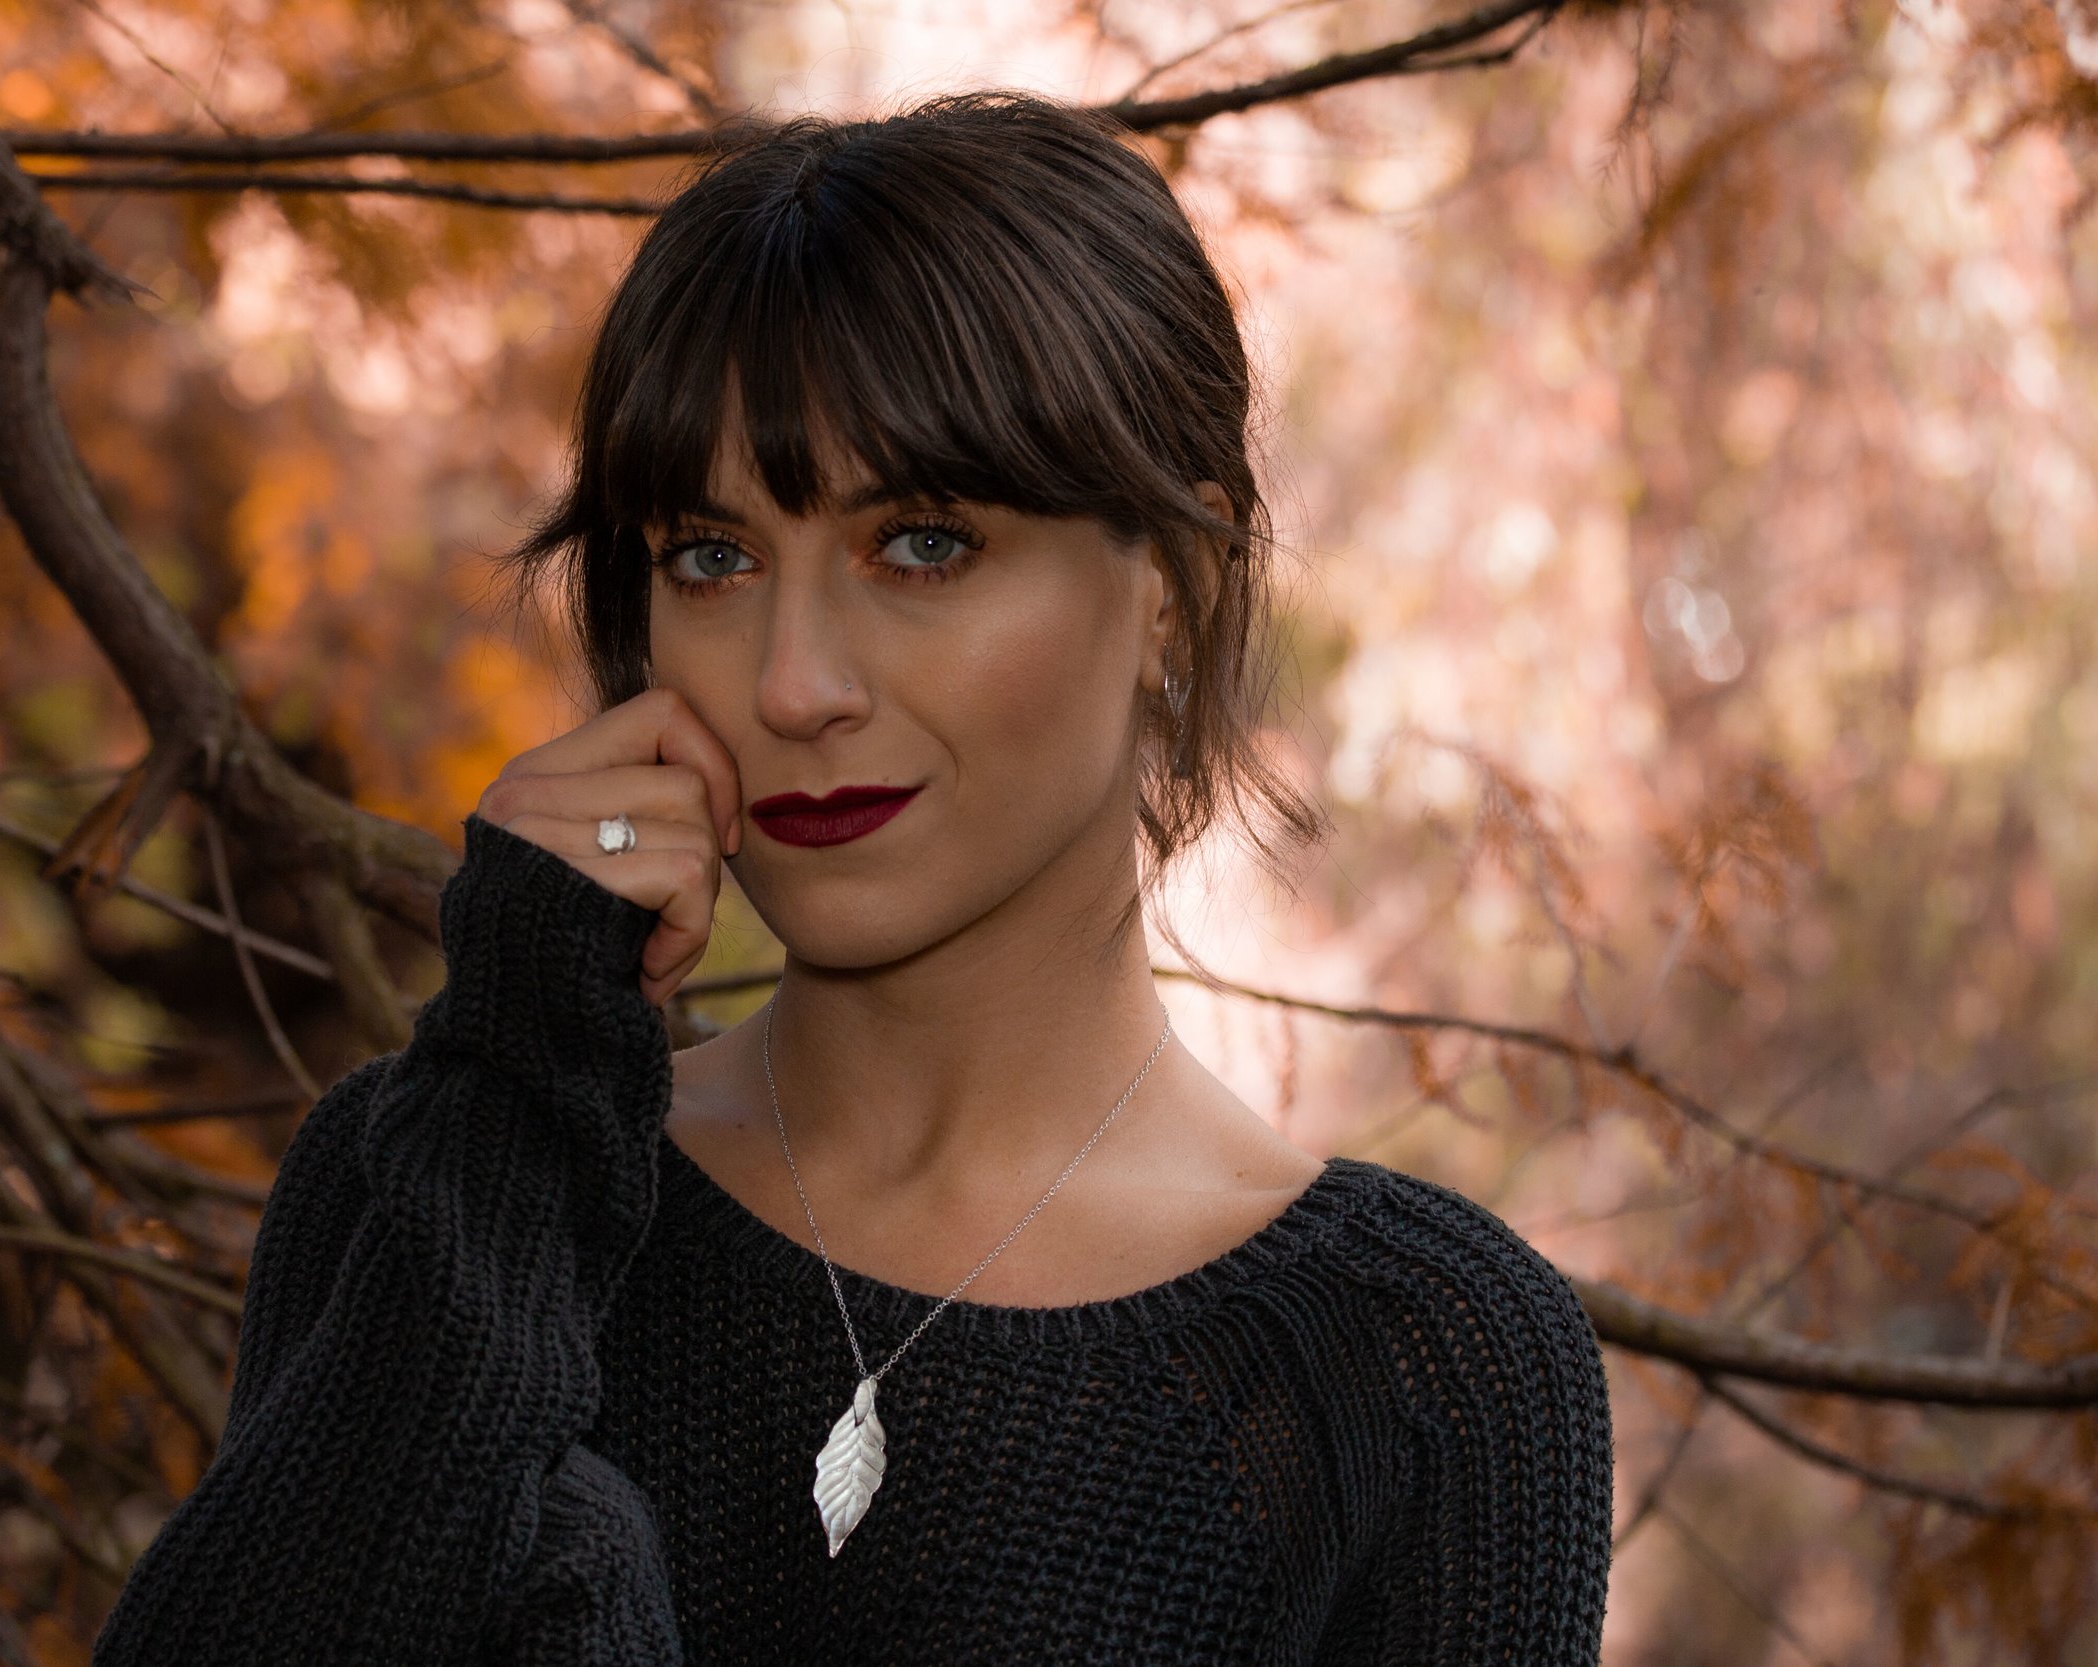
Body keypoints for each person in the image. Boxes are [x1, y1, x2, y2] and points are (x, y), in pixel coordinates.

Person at [90, 90, 1615, 1666]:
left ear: (1174, 585)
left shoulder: (1417, 1370)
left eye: (925, 545)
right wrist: (522, 1080)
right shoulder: (438, 1186)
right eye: (713, 557)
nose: (795, 684)